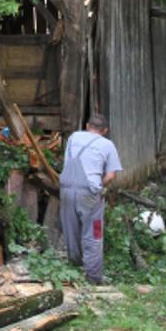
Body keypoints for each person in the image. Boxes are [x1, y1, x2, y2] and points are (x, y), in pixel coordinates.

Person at [59, 113, 122, 285]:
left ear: (87, 126)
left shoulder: (73, 137)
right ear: (105, 130)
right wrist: (99, 185)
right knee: (93, 233)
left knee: (71, 231)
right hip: (89, 194)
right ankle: (93, 278)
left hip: (66, 190)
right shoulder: (107, 145)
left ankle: (73, 271)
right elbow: (110, 176)